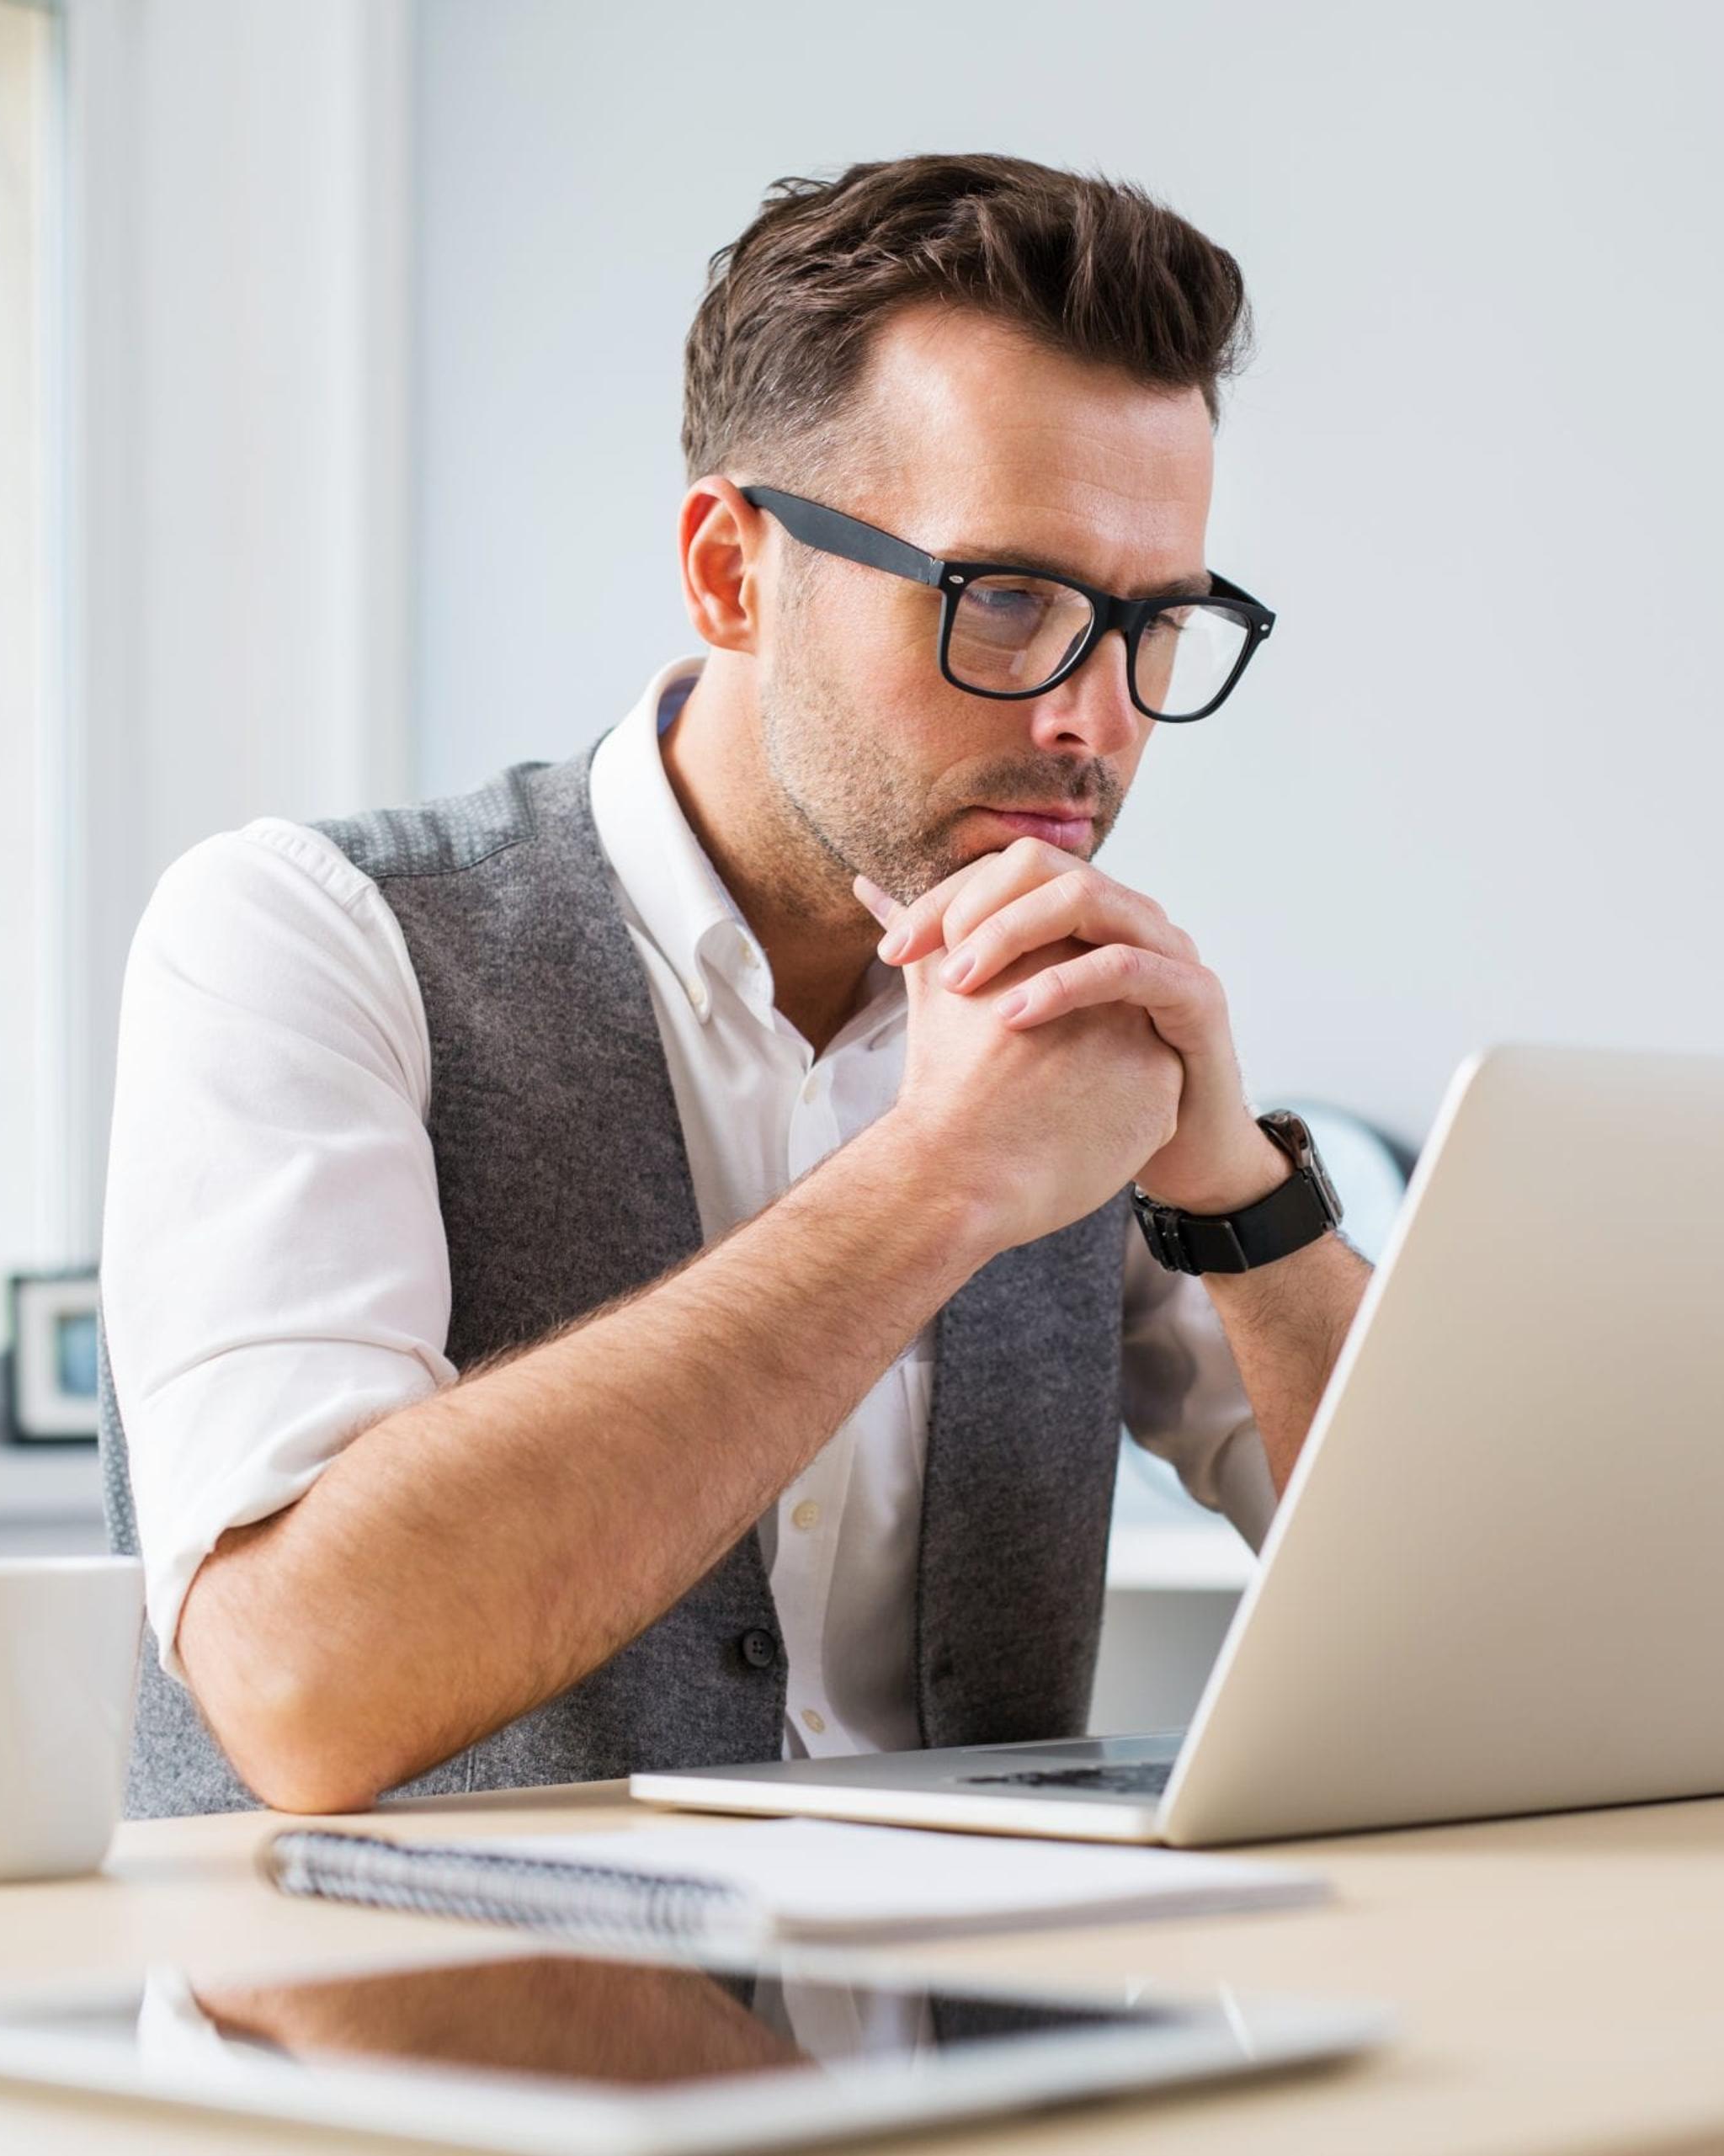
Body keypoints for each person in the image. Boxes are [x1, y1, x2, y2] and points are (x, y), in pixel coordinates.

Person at [100, 153, 1371, 1817]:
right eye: (1005, 602)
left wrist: (1239, 1198)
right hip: (416, 2053)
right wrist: (935, 1184)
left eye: (1155, 622)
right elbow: (302, 1685)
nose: (1095, 719)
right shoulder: (300, 938)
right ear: (729, 573)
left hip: (975, 2069)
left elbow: (1500, 1613)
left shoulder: (1078, 1020)